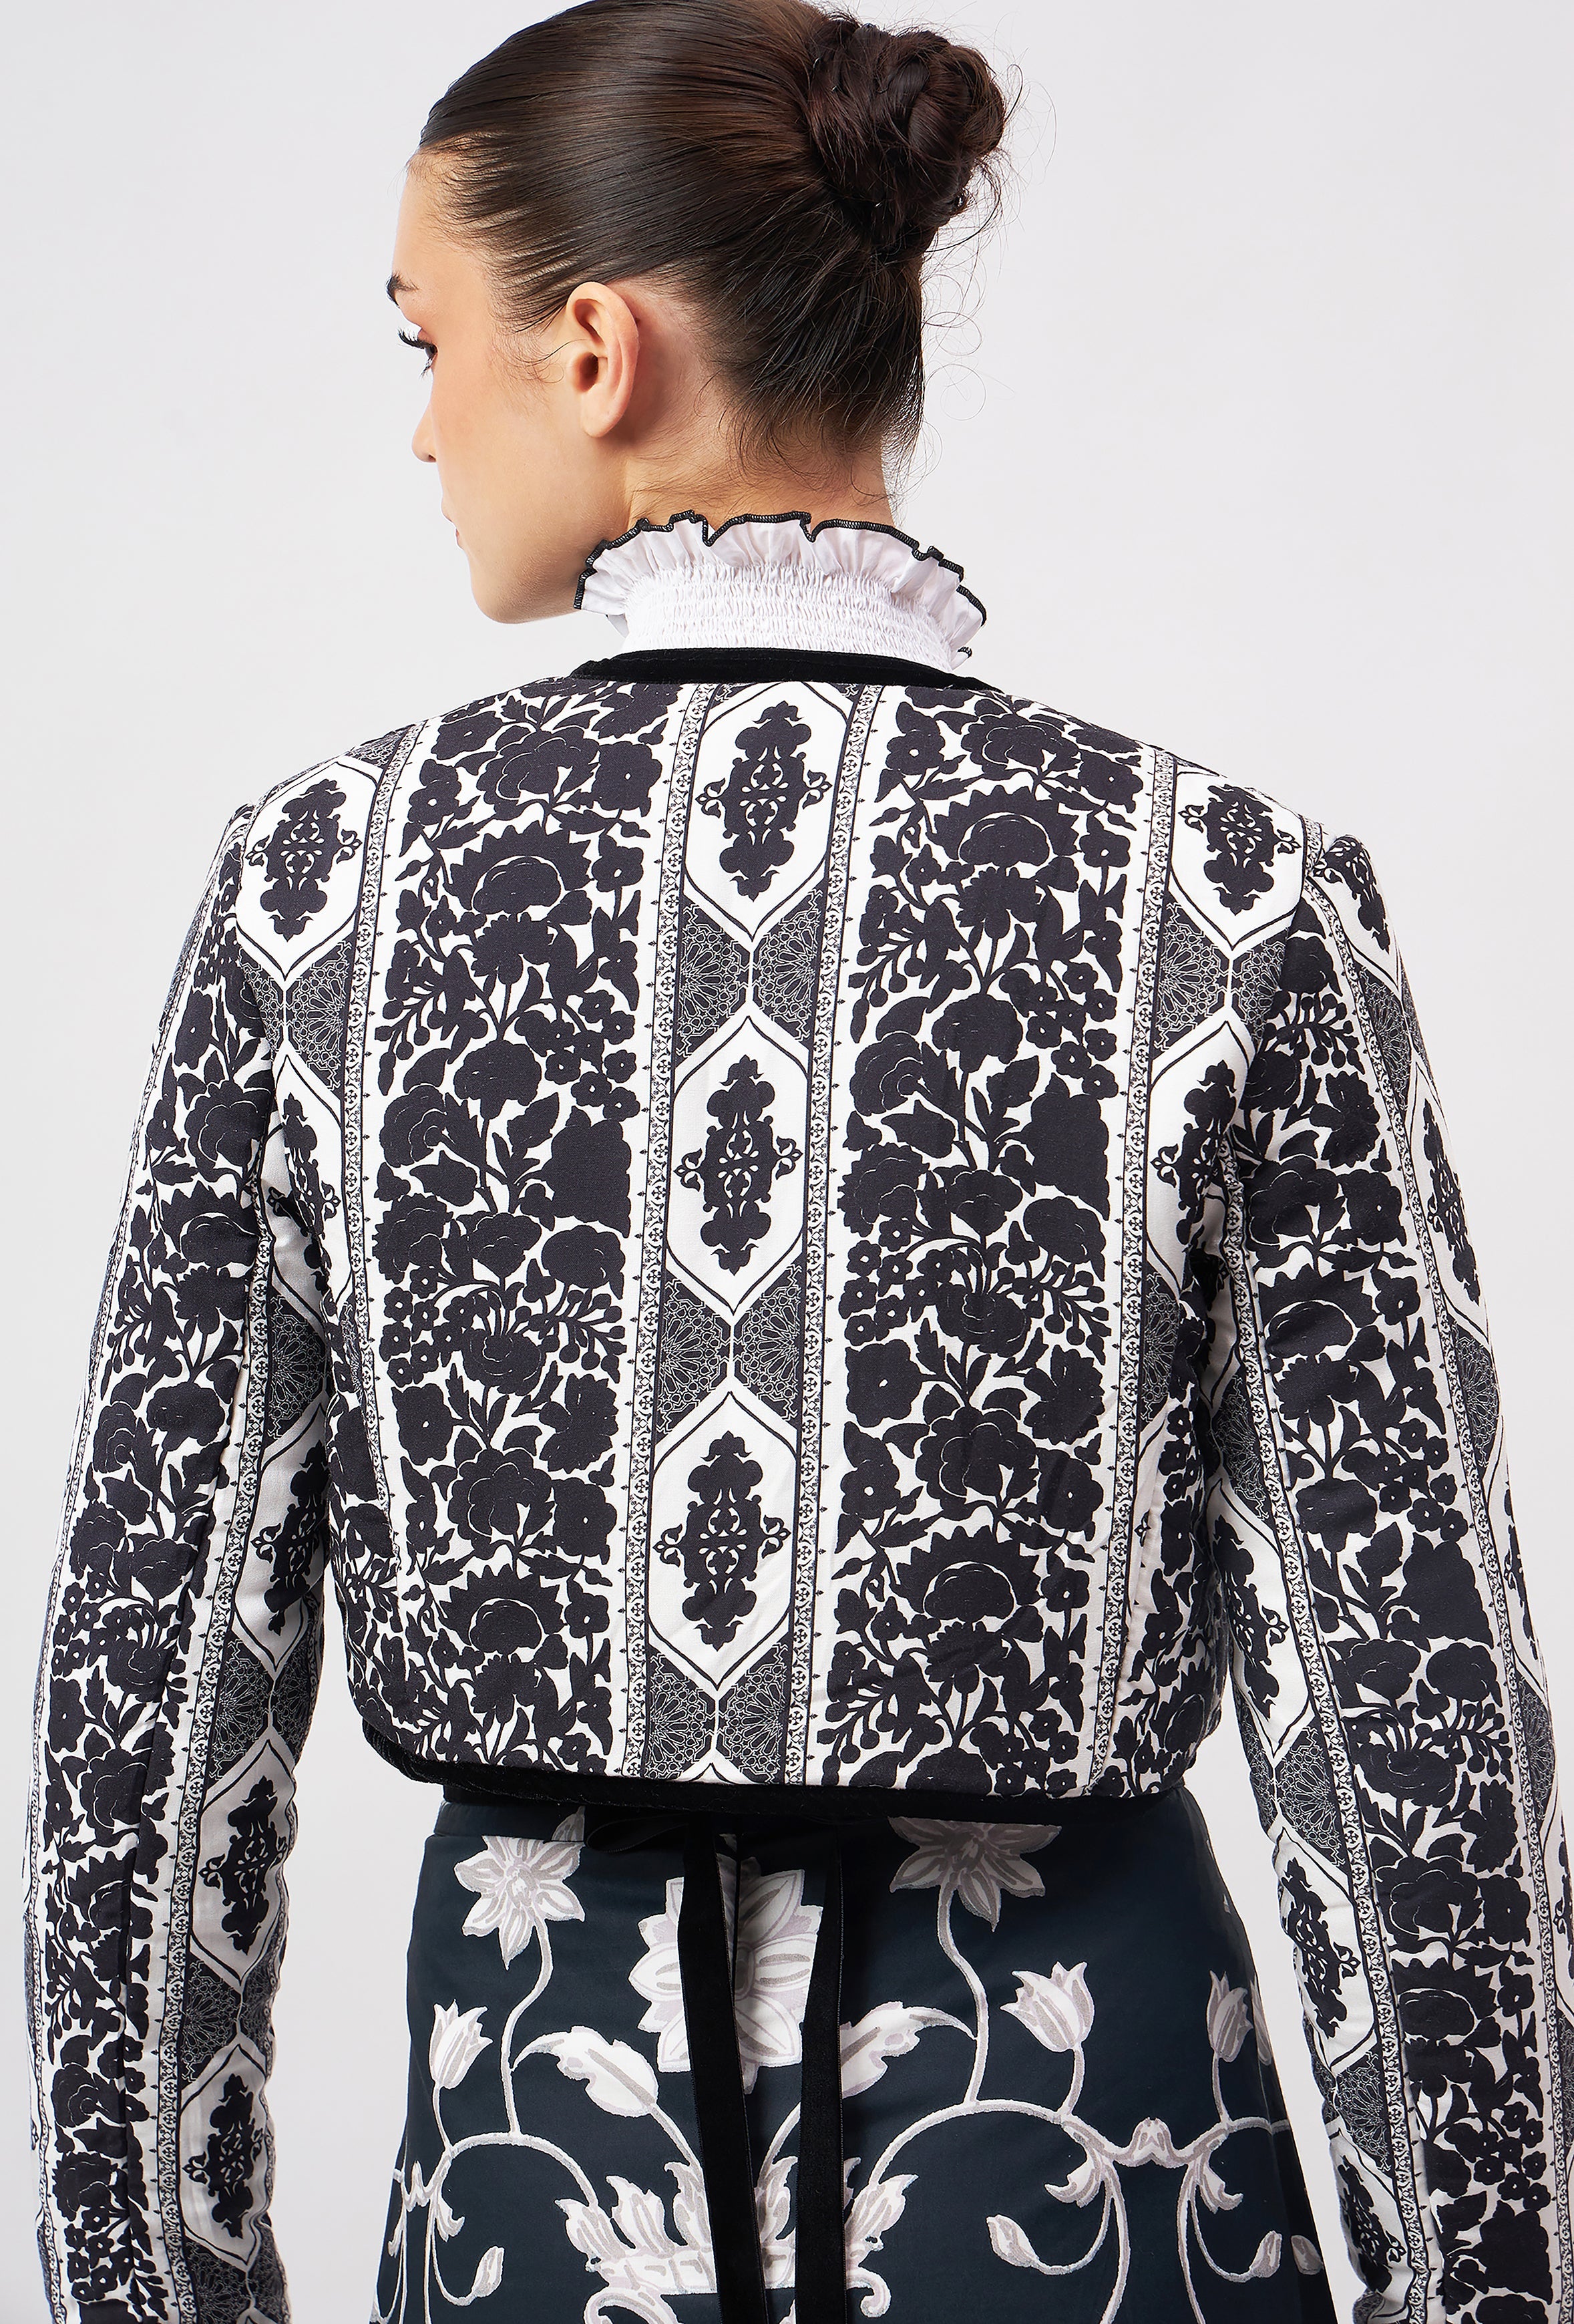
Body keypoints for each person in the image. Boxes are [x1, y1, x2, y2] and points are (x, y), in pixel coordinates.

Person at [23, 1, 1573, 2318]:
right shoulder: (1231, 900)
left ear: (591, 351)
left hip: (542, 2184)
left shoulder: (317, 892)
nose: (421, 423)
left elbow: (144, 1739)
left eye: (427, 342)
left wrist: (153, 2287)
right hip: (1104, 2180)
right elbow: (1421, 1733)